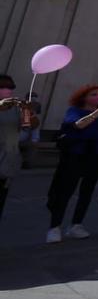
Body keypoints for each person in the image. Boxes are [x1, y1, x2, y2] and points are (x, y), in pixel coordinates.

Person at [46, 84, 98, 242]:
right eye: (94, 94)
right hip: (75, 155)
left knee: (87, 192)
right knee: (65, 191)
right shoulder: (74, 111)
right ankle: (55, 227)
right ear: (84, 97)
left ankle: (76, 224)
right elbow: (79, 125)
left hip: (96, 156)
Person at [0, 75, 35, 221]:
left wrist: (28, 115)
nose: (8, 91)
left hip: (6, 161)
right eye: (3, 87)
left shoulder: (17, 107)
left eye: (10, 87)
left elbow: (26, 129)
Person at [16, 88, 41, 171]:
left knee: (34, 145)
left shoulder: (34, 119)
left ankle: (26, 163)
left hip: (23, 140)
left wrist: (34, 141)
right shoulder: (18, 111)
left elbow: (35, 134)